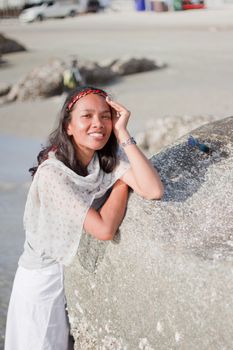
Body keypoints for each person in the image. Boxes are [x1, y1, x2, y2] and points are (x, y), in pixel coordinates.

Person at [4, 86, 164, 350]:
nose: (98, 124)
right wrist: (122, 185)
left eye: (105, 116)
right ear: (68, 126)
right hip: (43, 282)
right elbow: (103, 229)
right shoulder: (52, 175)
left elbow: (153, 190)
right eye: (87, 116)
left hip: (76, 275)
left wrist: (123, 133)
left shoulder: (103, 160)